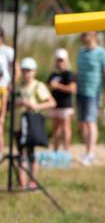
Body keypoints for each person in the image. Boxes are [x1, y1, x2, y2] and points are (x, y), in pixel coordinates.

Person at [15, 57, 56, 189]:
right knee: (20, 154)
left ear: (34, 72)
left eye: (29, 70)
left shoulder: (38, 86)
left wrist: (35, 105)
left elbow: (52, 102)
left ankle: (32, 181)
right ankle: (21, 182)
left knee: (31, 153)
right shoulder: (18, 87)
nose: (26, 73)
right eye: (24, 70)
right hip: (18, 124)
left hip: (31, 124)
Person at [76, 31, 105, 166]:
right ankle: (87, 151)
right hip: (80, 92)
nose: (83, 36)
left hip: (93, 93)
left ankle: (90, 153)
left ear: (93, 34)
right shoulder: (80, 52)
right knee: (82, 123)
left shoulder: (102, 52)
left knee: (91, 122)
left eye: (85, 33)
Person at [47, 48, 77, 152]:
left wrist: (58, 86)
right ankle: (55, 151)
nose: (60, 62)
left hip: (65, 105)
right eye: (58, 60)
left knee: (65, 128)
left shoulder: (69, 74)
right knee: (55, 129)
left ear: (66, 60)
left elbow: (72, 89)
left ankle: (66, 151)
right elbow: (48, 87)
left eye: (62, 60)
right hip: (55, 105)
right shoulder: (53, 74)